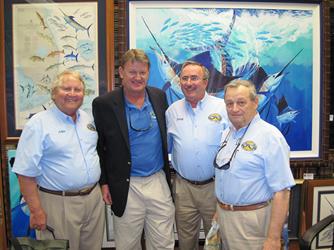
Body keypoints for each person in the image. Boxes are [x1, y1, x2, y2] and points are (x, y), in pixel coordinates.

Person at [12, 70, 105, 250]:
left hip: (93, 199)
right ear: (54, 93)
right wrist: (36, 211)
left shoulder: (87, 119)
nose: (72, 93)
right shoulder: (38, 124)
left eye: (77, 89)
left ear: (83, 94)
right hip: (58, 203)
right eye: (66, 88)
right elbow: (24, 173)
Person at [92, 49, 175, 249]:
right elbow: (99, 147)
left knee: (163, 244)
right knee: (127, 245)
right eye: (132, 72)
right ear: (121, 72)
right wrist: (104, 183)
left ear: (148, 73)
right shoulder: (104, 104)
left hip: (157, 181)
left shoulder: (159, 97)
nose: (137, 77)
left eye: (142, 73)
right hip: (126, 184)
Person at [214, 79, 295, 250]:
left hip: (251, 222)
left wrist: (273, 239)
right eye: (229, 103)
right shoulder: (227, 134)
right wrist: (219, 210)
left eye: (241, 102)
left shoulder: (270, 137)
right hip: (225, 217)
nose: (234, 109)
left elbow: (282, 191)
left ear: (255, 102)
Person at [166, 61, 228, 250]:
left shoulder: (222, 108)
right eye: (184, 78)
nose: (189, 82)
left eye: (194, 78)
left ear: (205, 82)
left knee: (215, 241)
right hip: (183, 189)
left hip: (214, 187)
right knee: (185, 242)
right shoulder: (172, 111)